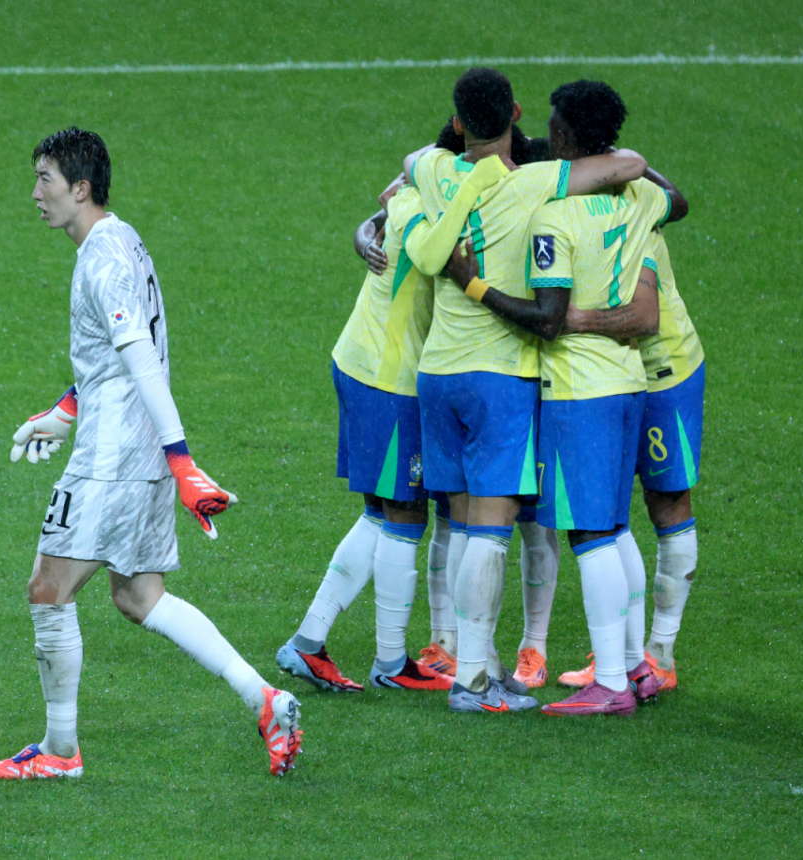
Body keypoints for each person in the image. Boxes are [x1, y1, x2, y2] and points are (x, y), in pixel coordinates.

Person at [0, 127, 302, 779]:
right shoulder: (120, 238)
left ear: (80, 188)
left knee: (48, 590)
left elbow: (144, 363)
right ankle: (264, 700)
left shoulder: (101, 258)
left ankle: (60, 752)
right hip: (134, 448)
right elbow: (112, 358)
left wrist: (183, 461)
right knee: (139, 596)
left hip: (118, 455)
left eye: (45, 180)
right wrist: (65, 413)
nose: (34, 193)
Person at [403, 67, 650, 713]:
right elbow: (627, 165)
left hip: (437, 374)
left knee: (457, 525)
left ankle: (466, 661)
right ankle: (475, 682)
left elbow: (410, 161)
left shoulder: (433, 169)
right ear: (515, 114)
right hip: (499, 379)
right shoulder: (538, 181)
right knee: (490, 530)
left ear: (457, 122)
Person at [276, 153, 505, 692]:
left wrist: (369, 226)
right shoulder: (428, 210)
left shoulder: (411, 196)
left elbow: (390, 205)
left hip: (365, 363)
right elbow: (428, 255)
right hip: (390, 376)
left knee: (380, 513)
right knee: (405, 514)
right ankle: (390, 662)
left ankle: (308, 643)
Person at [557, 226, 702, 692]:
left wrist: (575, 320)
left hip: (663, 371)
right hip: (616, 376)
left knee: (667, 501)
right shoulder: (599, 197)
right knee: (608, 514)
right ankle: (623, 658)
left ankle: (660, 654)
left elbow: (646, 317)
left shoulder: (638, 202)